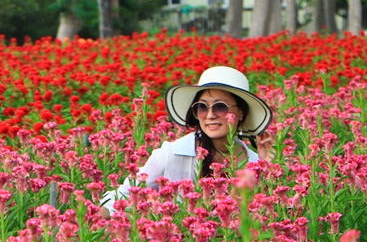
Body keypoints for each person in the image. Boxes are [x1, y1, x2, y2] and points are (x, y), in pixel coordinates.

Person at [100, 66, 274, 217]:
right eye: (202, 106)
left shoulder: (254, 161)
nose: (210, 115)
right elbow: (122, 196)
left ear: (241, 112)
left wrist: (268, 165)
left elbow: (268, 213)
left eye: (220, 106)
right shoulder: (172, 153)